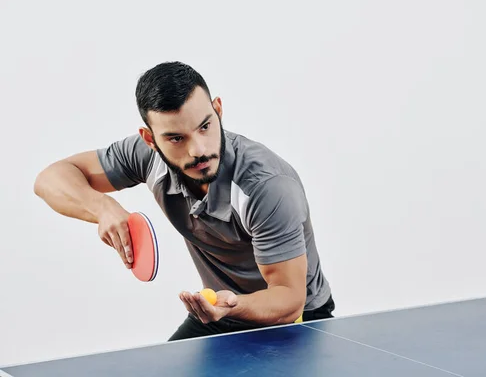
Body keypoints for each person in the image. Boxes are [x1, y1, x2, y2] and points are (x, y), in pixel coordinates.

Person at [33, 61, 334, 340]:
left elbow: (289, 298)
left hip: (296, 320)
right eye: (176, 139)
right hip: (218, 309)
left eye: (205, 126)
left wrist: (231, 305)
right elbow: (50, 178)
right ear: (150, 139)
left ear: (218, 110)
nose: (198, 150)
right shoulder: (147, 157)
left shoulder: (265, 186)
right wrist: (102, 208)